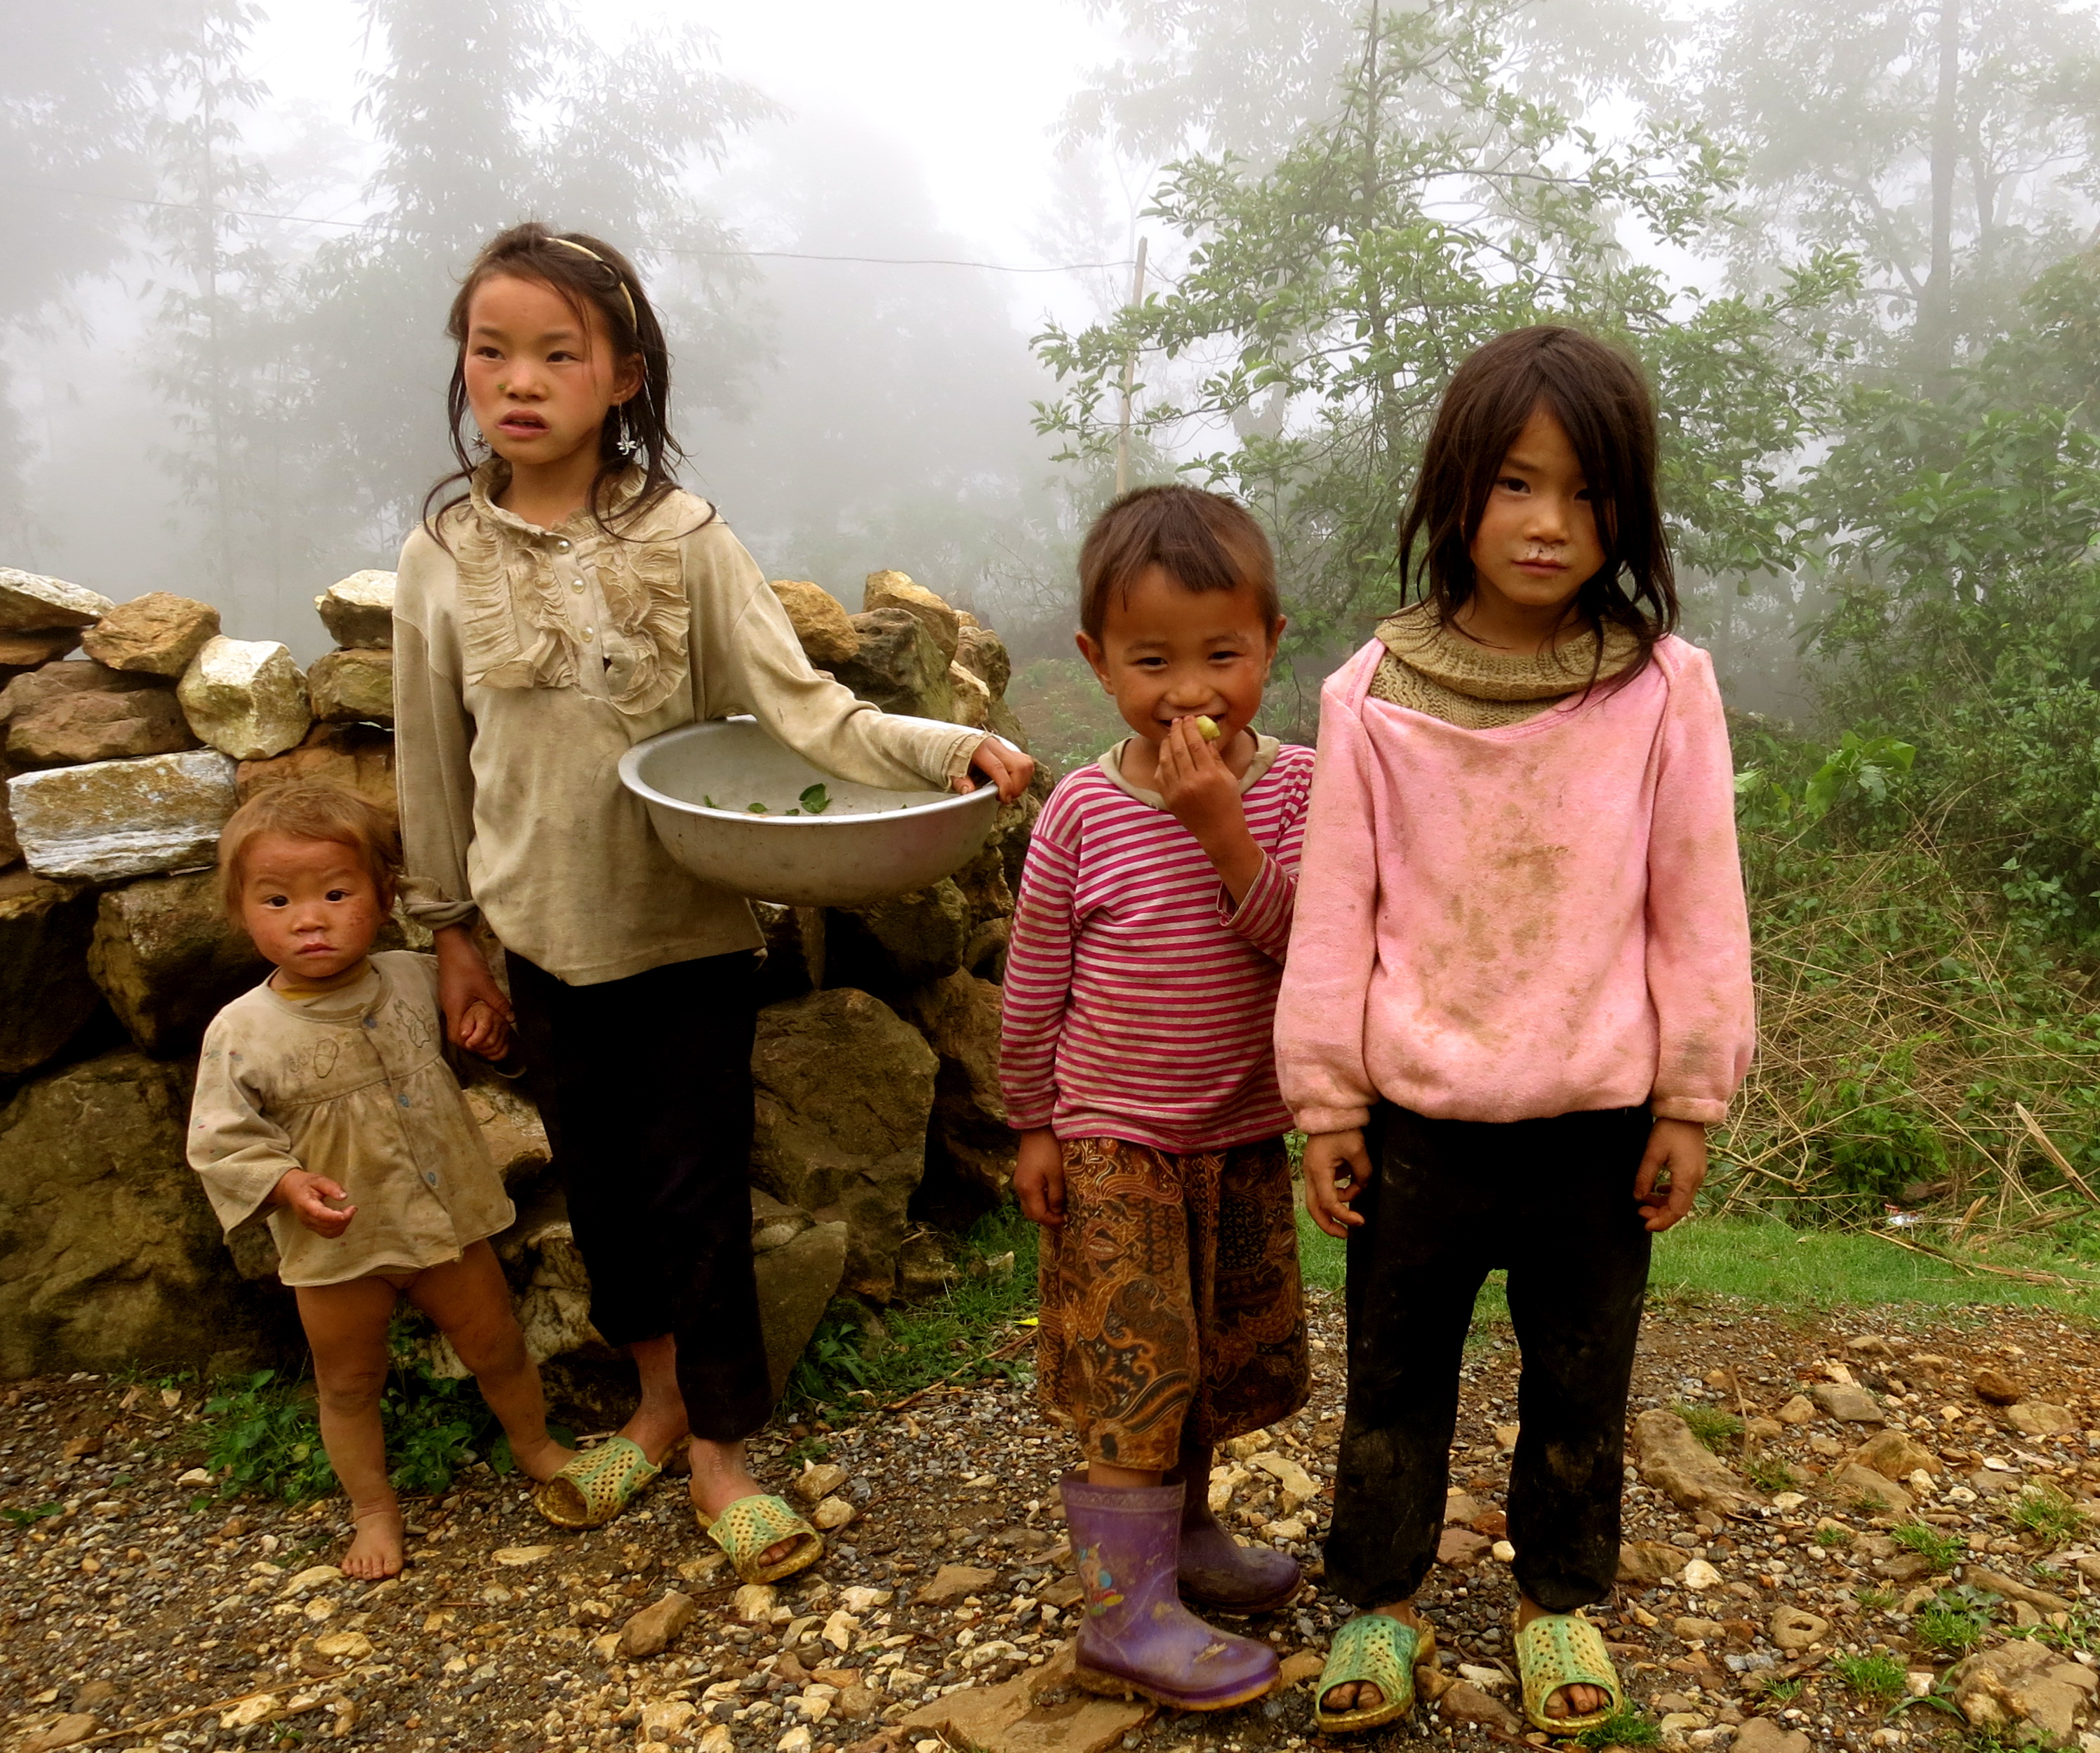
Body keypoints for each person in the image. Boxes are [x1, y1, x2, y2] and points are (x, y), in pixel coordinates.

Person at [391, 222, 1034, 1583]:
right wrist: (451, 936)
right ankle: (655, 1403)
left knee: (697, 1200)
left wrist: (947, 749)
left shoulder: (684, 541)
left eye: (558, 353)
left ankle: (723, 1452)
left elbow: (806, 710)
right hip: (539, 941)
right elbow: (431, 762)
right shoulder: (442, 554)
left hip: (683, 940)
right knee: (606, 1203)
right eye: (492, 351)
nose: (520, 380)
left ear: (624, 375)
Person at [1275, 326, 1756, 1734]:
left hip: (1595, 1127)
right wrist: (1327, 1101)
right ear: (1455, 491)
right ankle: (1379, 1597)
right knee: (1392, 1380)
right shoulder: (1370, 694)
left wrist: (1689, 1096)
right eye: (1515, 484)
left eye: (1587, 492)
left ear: (1628, 510)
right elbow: (1338, 915)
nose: (1550, 523)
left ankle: (1559, 1603)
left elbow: (1696, 902)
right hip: (1415, 1126)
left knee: (1580, 1382)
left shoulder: (1663, 689)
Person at [1000, 485, 1317, 1710]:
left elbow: (1311, 949)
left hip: (1236, 1134)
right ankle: (1122, 1615)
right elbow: (1033, 982)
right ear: (1096, 660)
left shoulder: (1298, 790)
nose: (1189, 690)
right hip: (1112, 1140)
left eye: (1221, 655)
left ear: (1271, 642)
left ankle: (1178, 1543)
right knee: (1137, 1366)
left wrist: (1224, 830)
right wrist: (1033, 1123)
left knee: (1212, 1357)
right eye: (1151, 661)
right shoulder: (1081, 810)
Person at [187, 782, 569, 1579]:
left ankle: (534, 1445)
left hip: (445, 1222)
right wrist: (286, 1185)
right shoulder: (242, 1030)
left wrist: (490, 1038)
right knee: (349, 1381)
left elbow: (484, 1051)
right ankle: (372, 1506)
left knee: (498, 1343)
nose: (310, 918)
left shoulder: (415, 977)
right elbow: (222, 1139)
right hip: (340, 1244)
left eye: (336, 893)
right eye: (278, 900)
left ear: (385, 896)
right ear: (240, 912)